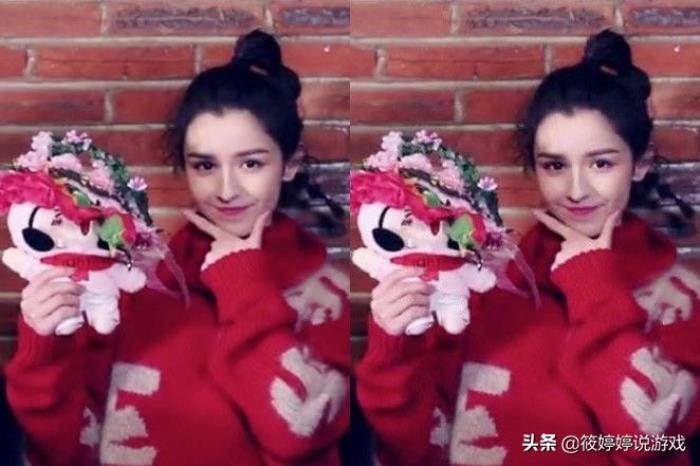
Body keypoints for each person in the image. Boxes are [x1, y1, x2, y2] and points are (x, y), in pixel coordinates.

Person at [5, 29, 350, 466]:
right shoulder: (134, 283)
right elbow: (66, 447)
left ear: (290, 163)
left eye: (251, 163)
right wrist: (44, 348)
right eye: (205, 165)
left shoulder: (327, 293)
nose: (226, 189)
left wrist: (242, 283)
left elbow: (297, 434)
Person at [355, 29, 700, 466]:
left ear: (640, 163)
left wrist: (593, 283)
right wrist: (394, 349)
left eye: (601, 163)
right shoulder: (485, 283)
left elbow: (650, 442)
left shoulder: (679, 299)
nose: (576, 189)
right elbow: (415, 449)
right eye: (555, 165)